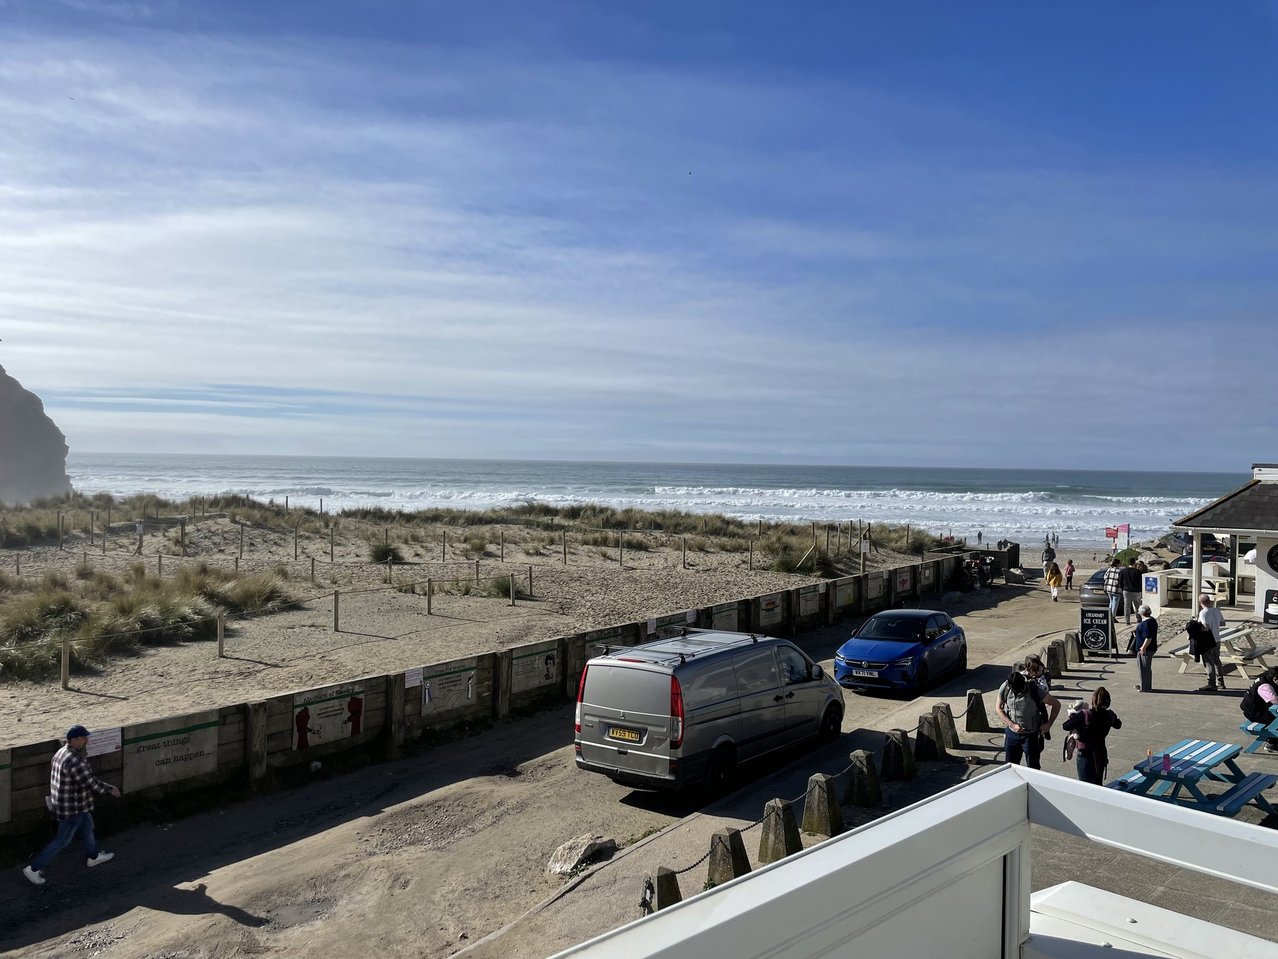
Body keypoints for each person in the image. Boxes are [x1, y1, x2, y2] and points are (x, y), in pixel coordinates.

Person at [23, 725, 120, 886]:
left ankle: (93, 857)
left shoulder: (61, 753)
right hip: (72, 807)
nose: (87, 741)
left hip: (67, 803)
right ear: (74, 740)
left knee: (88, 826)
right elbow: (91, 783)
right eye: (83, 738)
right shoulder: (76, 761)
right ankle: (33, 868)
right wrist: (111, 789)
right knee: (62, 840)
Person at [996, 666, 1060, 770]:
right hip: (1012, 734)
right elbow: (998, 708)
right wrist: (1011, 724)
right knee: (1009, 767)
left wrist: (1048, 724)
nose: (1017, 692)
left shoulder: (1034, 690)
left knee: (1033, 768)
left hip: (1031, 736)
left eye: (1020, 690)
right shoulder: (1005, 687)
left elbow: (1056, 704)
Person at [1061, 687, 1123, 785]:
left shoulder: (1086, 714)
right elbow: (1118, 725)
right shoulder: (1109, 715)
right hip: (1101, 753)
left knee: (1086, 787)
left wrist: (1073, 716)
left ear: (1093, 700)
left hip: (1085, 755)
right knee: (1098, 785)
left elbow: (1065, 726)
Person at [1239, 667, 1278, 753]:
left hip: (1260, 707)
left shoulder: (1268, 678)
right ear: (1275, 678)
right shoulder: (1265, 686)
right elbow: (1275, 702)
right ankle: (1272, 743)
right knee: (1275, 719)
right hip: (1254, 713)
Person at [1196, 594, 1227, 691]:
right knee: (1217, 661)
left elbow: (1206, 627)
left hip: (1208, 641)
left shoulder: (1203, 613)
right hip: (1217, 639)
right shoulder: (1217, 610)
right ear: (1209, 601)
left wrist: (1197, 628)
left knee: (1209, 663)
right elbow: (1223, 623)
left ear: (1200, 603)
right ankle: (1221, 682)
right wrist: (1215, 623)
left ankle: (1211, 683)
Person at [1131, 605, 1158, 691]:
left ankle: (1145, 687)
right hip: (1150, 647)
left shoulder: (1146, 623)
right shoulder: (1152, 620)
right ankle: (1144, 684)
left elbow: (1148, 637)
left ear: (1141, 613)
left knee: (1144, 668)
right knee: (1144, 667)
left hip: (1146, 648)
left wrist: (1143, 648)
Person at [1119, 557, 1142, 626]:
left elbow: (1120, 582)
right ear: (1134, 563)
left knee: (1126, 606)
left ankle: (1127, 620)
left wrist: (1122, 588)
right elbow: (1140, 582)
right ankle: (1139, 619)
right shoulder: (1137, 572)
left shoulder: (1123, 571)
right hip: (1136, 591)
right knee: (1137, 606)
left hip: (1126, 590)